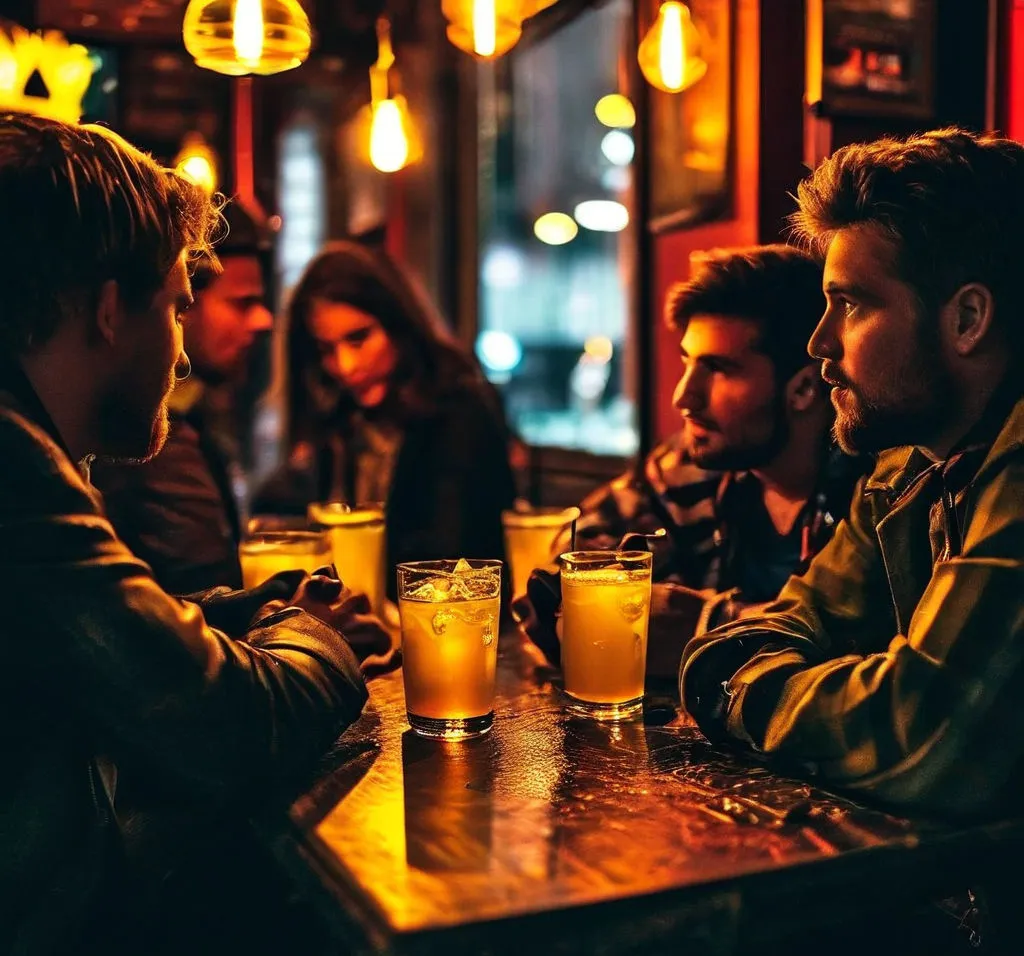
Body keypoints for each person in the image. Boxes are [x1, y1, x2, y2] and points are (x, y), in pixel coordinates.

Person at [0, 112, 383, 956]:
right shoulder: (12, 470)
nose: (179, 345)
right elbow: (229, 725)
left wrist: (256, 613)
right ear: (106, 310)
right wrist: (317, 635)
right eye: (176, 304)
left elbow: (112, 628)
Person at [681, 128, 1024, 821]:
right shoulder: (907, 469)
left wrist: (733, 689)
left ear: (966, 319)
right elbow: (785, 622)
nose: (820, 342)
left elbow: (921, 736)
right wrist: (742, 664)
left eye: (854, 304)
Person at [520, 245, 865, 677]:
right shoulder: (690, 466)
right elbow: (580, 541)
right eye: (687, 362)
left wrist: (707, 623)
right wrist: (608, 588)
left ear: (801, 389)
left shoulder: (872, 490)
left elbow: (858, 640)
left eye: (719, 369)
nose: (684, 396)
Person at [254, 242, 516, 590]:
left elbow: (449, 560)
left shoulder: (460, 408)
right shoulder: (342, 419)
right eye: (326, 349)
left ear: (397, 324)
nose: (345, 366)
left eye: (359, 339)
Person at [92, 200, 274, 593]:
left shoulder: (191, 413)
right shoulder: (149, 441)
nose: (264, 320)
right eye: (242, 303)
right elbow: (209, 587)